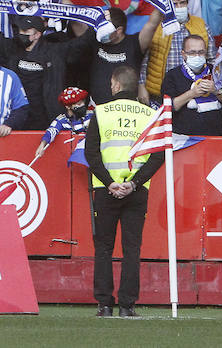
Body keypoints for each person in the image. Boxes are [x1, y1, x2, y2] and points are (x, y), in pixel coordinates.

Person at [85, 65, 163, 319]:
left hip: (106, 189)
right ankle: (127, 306)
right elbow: (157, 155)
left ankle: (104, 305)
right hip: (136, 191)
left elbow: (91, 154)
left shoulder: (101, 112)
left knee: (104, 247)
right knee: (132, 248)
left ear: (116, 85)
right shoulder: (151, 114)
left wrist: (109, 182)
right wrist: (134, 183)